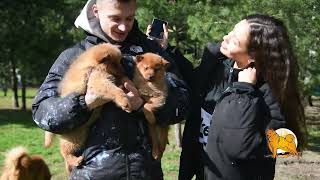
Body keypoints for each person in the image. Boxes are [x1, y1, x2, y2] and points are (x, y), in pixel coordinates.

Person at [32, 0, 189, 179]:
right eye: (115, 19)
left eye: (129, 18)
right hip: (91, 173)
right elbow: (42, 114)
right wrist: (85, 103)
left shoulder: (152, 54)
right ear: (96, 10)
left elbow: (183, 105)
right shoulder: (74, 56)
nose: (123, 27)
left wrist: (143, 106)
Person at [178, 14, 306, 180]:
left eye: (235, 40)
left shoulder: (269, 91)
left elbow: (240, 145)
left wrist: (244, 91)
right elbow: (193, 86)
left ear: (253, 56)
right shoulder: (220, 68)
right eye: (231, 31)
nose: (225, 37)